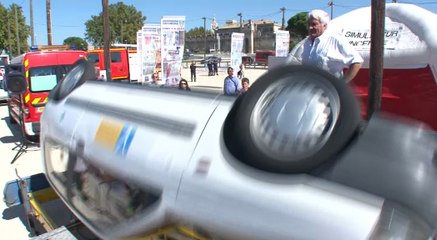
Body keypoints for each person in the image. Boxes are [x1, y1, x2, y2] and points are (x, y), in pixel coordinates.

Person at [290, 9, 363, 82]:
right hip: (310, 89)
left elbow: (357, 62)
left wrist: (342, 84)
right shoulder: (306, 43)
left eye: (314, 24)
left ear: (324, 25)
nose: (310, 27)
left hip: (329, 91)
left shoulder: (335, 40)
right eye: (309, 24)